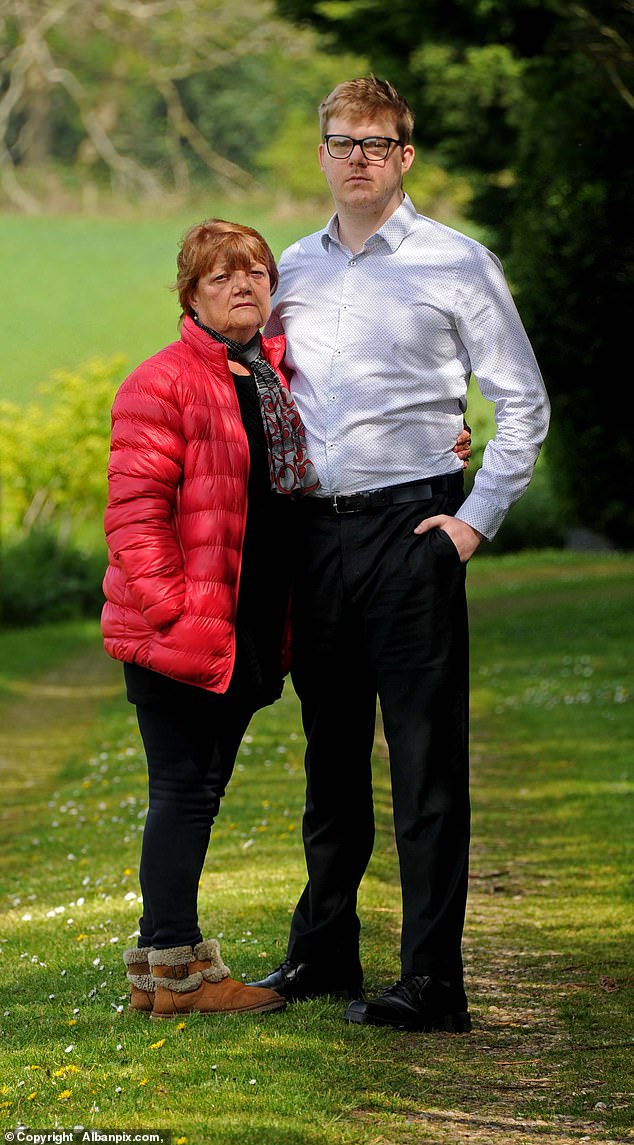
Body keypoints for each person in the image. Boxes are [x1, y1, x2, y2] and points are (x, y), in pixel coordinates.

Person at [250, 76, 551, 1032]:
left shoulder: (458, 263)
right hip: (316, 535)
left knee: (424, 763)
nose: (359, 158)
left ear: (404, 157)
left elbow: (523, 402)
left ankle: (434, 979)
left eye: (377, 144)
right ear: (324, 153)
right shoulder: (289, 267)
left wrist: (475, 519)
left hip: (415, 531)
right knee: (328, 756)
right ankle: (325, 950)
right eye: (343, 142)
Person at [101, 218, 321, 1019]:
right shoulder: (162, 383)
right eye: (221, 276)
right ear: (190, 294)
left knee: (199, 791)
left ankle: (166, 968)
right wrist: (178, 613)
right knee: (184, 793)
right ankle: (177, 975)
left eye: (256, 273)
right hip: (184, 634)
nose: (242, 287)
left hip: (248, 629)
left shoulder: (271, 378)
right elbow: (133, 519)